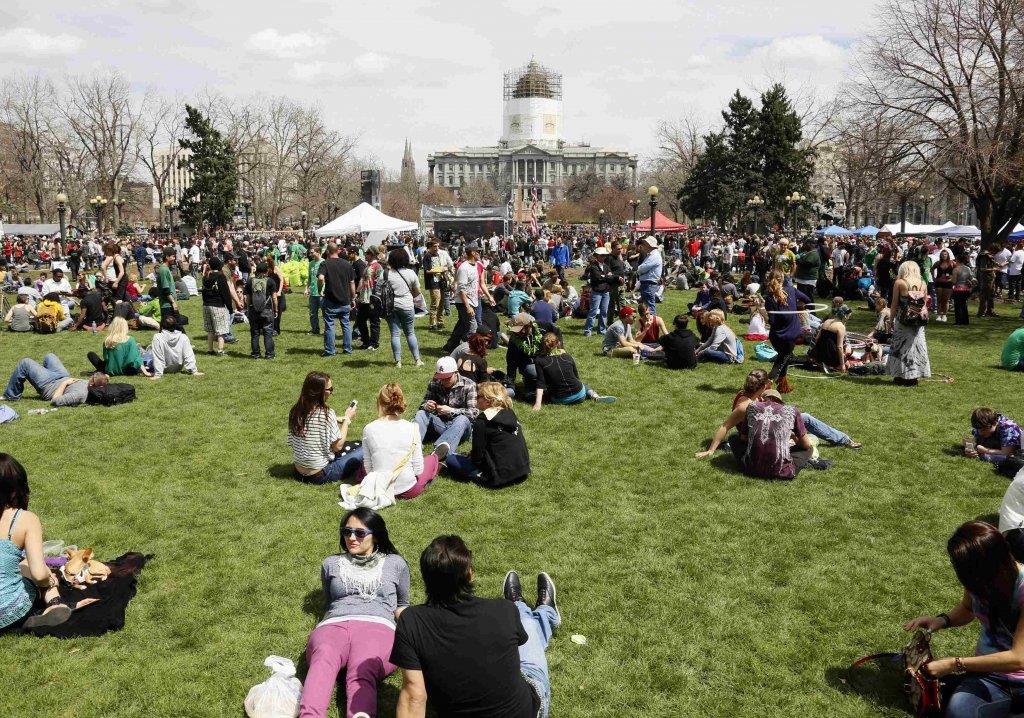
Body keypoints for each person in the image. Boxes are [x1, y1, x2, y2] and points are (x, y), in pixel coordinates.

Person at [391, 535, 560, 718]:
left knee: (521, 623)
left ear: (425, 578)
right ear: (469, 574)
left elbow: (413, 697)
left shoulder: (411, 622)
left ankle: (526, 606)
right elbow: (521, 642)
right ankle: (544, 612)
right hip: (528, 711)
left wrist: (406, 618)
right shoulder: (503, 610)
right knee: (528, 628)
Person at [904, 521, 1024, 718]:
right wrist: (942, 620)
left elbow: (1018, 658)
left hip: (1019, 679)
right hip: (989, 676)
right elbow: (968, 608)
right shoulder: (980, 578)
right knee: (956, 710)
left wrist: (954, 664)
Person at [299, 508, 409, 718]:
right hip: (334, 625)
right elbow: (331, 603)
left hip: (378, 626)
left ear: (375, 535)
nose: (351, 538)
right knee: (322, 662)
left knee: (362, 670)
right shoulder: (331, 563)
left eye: (359, 533)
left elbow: (402, 604)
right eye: (346, 531)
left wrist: (414, 632)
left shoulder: (396, 563)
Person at [695, 369, 861, 459]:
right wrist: (710, 450)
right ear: (762, 386)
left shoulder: (744, 394)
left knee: (804, 418)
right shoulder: (745, 406)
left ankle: (843, 439)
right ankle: (844, 440)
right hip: (762, 433)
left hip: (761, 426)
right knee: (806, 419)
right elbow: (725, 426)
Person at [0, 454, 73, 633]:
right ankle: (55, 605)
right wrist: (50, 578)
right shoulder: (25, 519)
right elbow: (39, 574)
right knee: (29, 566)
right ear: (16, 487)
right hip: (8, 609)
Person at [360, 384, 439, 500]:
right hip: (408, 489)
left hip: (379, 486)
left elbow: (368, 468)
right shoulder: (412, 428)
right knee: (432, 459)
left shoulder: (368, 428)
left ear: (380, 402)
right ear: (400, 401)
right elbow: (418, 470)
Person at [444, 382, 531, 486]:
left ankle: (479, 474)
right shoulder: (509, 412)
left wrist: (470, 458)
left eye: (478, 396)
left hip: (499, 476)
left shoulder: (482, 421)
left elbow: (477, 458)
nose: (476, 398)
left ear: (488, 401)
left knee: (451, 459)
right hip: (522, 471)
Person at [287, 371, 362, 484]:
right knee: (365, 448)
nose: (331, 393)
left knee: (351, 446)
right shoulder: (326, 414)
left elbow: (312, 421)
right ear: (319, 392)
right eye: (330, 390)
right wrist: (347, 420)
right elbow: (337, 446)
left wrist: (336, 419)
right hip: (320, 475)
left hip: (298, 472)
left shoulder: (296, 411)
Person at [413, 357, 478, 459]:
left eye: (447, 378)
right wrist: (427, 405)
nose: (444, 381)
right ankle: (414, 447)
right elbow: (423, 404)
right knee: (421, 413)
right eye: (441, 378)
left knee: (463, 419)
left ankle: (440, 450)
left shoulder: (469, 385)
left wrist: (452, 410)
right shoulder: (434, 383)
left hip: (460, 428)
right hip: (440, 424)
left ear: (456, 372)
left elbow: (474, 413)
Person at [531, 333, 616, 411]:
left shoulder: (539, 360)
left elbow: (540, 383)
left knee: (546, 391)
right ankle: (595, 396)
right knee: (583, 385)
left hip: (559, 400)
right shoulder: (567, 356)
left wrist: (537, 404)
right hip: (580, 395)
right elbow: (576, 377)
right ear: (558, 343)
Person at [763, 270, 811, 393]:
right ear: (783, 279)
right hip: (790, 337)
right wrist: (797, 306)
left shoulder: (769, 298)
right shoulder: (792, 290)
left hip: (776, 337)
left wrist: (764, 315)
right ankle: (763, 388)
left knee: (784, 358)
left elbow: (772, 322)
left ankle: (783, 386)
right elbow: (808, 299)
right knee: (780, 362)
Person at [887, 260, 932, 386]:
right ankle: (914, 377)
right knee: (916, 347)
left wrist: (890, 320)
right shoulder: (923, 283)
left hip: (903, 320)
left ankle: (900, 376)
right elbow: (924, 303)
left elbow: (894, 304)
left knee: (901, 347)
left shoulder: (900, 283)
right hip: (918, 321)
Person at [3, 354, 108, 407]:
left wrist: (64, 383)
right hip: (62, 376)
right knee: (50, 356)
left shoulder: (79, 395)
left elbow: (55, 401)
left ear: (92, 383)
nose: (90, 377)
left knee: (25, 363)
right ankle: (43, 372)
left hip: (49, 385)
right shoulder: (95, 385)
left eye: (92, 377)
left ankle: (11, 396)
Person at [384, 248, 424, 369]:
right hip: (406, 305)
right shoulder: (411, 273)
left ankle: (398, 362)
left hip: (390, 306)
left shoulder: (386, 273)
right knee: (410, 332)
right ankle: (417, 360)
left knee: (395, 334)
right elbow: (417, 292)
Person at [318, 243, 357, 357]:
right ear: (338, 251)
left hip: (330, 300)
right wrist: (353, 297)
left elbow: (320, 278)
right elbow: (352, 283)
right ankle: (347, 349)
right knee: (346, 324)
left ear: (328, 252)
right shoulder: (347, 264)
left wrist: (320, 288)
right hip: (345, 299)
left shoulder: (325, 263)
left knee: (330, 325)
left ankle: (330, 350)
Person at [149, 314, 201, 379]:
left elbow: (157, 356)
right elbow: (189, 355)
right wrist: (194, 371)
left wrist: (158, 374)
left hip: (163, 369)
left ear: (162, 325)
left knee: (147, 356)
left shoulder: (157, 337)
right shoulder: (183, 336)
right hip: (177, 368)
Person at [246, 262, 278, 360]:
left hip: (253, 309)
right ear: (266, 271)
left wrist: (248, 309)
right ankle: (269, 354)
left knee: (254, 332)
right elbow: (274, 297)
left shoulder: (250, 281)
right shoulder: (270, 281)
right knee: (268, 332)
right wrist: (276, 310)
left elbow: (247, 297)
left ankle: (255, 354)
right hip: (267, 310)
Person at [807, 304, 852, 373]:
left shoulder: (827, 321)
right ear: (845, 316)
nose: (848, 318)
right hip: (831, 353)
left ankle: (822, 363)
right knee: (847, 366)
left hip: (820, 350)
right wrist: (842, 364)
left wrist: (816, 352)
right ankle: (829, 366)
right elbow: (839, 347)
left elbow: (817, 338)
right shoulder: (841, 327)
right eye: (849, 316)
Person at [201, 256, 232, 356]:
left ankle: (210, 350)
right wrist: (230, 308)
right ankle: (220, 350)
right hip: (217, 305)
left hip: (206, 305)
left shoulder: (206, 276)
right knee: (221, 330)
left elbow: (203, 293)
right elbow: (225, 293)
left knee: (210, 330)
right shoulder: (220, 276)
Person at [582, 247, 614, 336]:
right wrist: (606, 276)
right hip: (597, 292)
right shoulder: (593, 267)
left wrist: (605, 276)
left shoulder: (606, 266)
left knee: (604, 312)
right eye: (602, 255)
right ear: (597, 256)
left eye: (605, 255)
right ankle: (587, 331)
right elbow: (598, 277)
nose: (604, 257)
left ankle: (602, 330)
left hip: (606, 292)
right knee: (593, 311)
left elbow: (610, 277)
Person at [354, 247, 382, 350]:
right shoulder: (367, 265)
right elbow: (362, 279)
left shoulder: (378, 266)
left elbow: (380, 282)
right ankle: (365, 341)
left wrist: (377, 296)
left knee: (374, 321)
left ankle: (374, 343)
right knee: (361, 320)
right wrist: (357, 292)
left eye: (367, 253)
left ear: (373, 254)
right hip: (363, 297)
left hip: (373, 297)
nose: (365, 255)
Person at [635, 237, 663, 315]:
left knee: (649, 307)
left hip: (649, 284)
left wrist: (639, 269)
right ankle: (649, 324)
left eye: (644, 244)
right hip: (647, 283)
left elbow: (642, 268)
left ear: (649, 245)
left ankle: (651, 325)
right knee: (646, 306)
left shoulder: (654, 255)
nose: (643, 246)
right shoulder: (651, 255)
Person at [932, 249, 956, 323]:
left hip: (948, 283)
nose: (944, 256)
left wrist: (952, 278)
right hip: (939, 283)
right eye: (942, 255)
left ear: (948, 255)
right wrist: (934, 278)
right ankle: (939, 315)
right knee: (939, 299)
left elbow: (957, 270)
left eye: (945, 254)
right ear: (940, 256)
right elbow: (932, 269)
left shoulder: (952, 263)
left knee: (946, 300)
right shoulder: (938, 263)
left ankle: (944, 315)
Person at [952, 258, 974, 326]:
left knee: (957, 306)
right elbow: (971, 278)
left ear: (958, 261)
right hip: (966, 289)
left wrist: (950, 278)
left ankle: (958, 322)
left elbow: (954, 281)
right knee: (964, 305)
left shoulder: (956, 269)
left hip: (958, 289)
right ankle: (965, 321)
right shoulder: (968, 268)